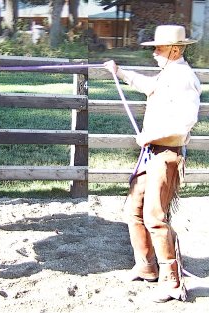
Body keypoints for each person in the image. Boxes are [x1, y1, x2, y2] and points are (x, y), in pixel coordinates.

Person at [104, 25, 201, 302]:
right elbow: (148, 86)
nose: (154, 54)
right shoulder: (168, 74)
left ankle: (171, 282)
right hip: (152, 153)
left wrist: (149, 136)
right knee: (133, 210)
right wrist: (119, 71)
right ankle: (147, 266)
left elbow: (184, 124)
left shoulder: (184, 79)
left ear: (174, 49)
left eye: (158, 48)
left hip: (166, 154)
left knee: (155, 218)